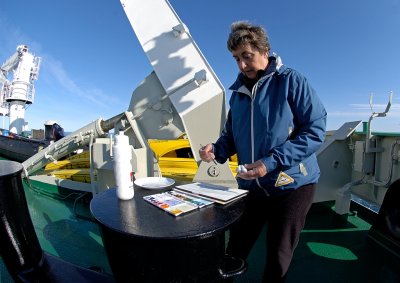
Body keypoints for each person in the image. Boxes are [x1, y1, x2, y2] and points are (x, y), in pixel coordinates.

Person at [199, 21, 327, 282]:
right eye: (236, 59)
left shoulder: (292, 81)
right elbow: (232, 137)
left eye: (247, 56)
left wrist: (271, 162)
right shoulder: (238, 94)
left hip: (294, 184)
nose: (241, 66)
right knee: (235, 249)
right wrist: (216, 149)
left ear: (265, 51)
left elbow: (315, 131)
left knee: (278, 255)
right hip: (253, 186)